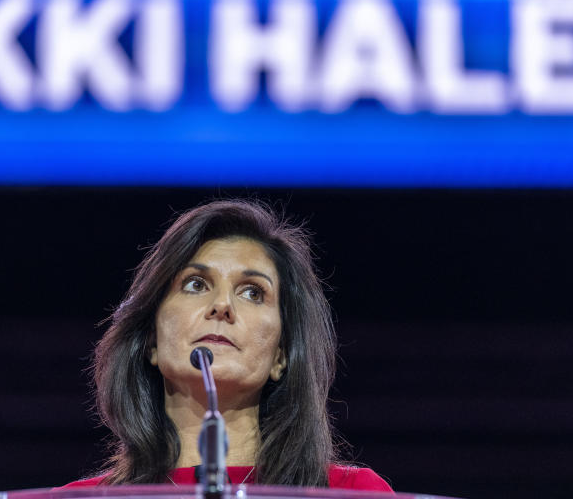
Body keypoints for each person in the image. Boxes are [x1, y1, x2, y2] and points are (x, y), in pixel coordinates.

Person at [60, 200, 392, 491]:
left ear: (281, 355)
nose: (222, 305)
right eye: (195, 284)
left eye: (252, 292)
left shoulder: (352, 493)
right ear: (151, 341)